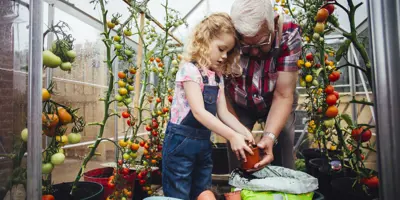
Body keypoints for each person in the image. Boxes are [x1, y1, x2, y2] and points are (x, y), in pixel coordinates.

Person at [162, 12, 255, 200]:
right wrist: (231, 135)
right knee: (178, 193)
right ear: (204, 41)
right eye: (221, 49)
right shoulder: (190, 70)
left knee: (203, 191)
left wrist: (243, 132)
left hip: (203, 144)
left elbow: (224, 113)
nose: (224, 56)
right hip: (180, 144)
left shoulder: (217, 77)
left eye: (228, 52)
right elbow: (198, 112)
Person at [225, 0, 302, 171]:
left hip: (276, 99)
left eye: (260, 44)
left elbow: (283, 95)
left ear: (273, 23)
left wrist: (269, 136)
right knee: (238, 149)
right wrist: (237, 133)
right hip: (239, 102)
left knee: (284, 142)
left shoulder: (289, 33)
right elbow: (221, 94)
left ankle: (284, 190)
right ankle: (238, 190)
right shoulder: (226, 33)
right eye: (246, 45)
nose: (253, 52)